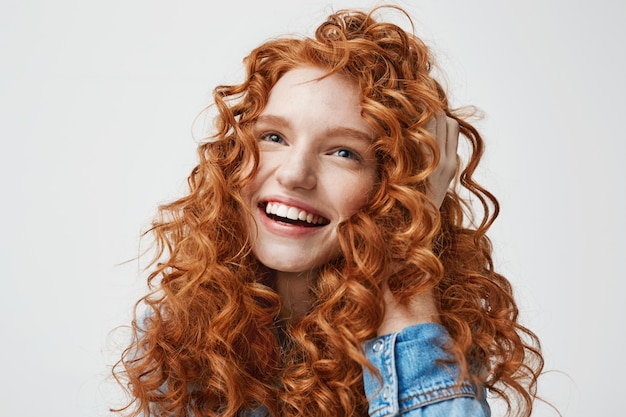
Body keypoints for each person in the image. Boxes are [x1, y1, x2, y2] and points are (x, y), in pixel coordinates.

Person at [113, 6, 544, 417]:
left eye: (343, 152)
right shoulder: (178, 330)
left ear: (392, 186)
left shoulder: (431, 345)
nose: (295, 174)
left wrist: (405, 277)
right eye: (273, 137)